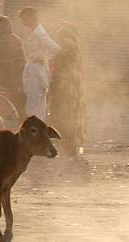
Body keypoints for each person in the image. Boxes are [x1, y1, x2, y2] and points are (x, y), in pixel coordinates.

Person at [48, 23, 86, 156]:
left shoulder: (67, 48)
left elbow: (61, 68)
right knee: (72, 116)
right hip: (73, 88)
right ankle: (70, 145)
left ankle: (68, 146)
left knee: (65, 116)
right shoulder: (74, 47)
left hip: (66, 89)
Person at [19, 7, 60, 120]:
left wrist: (44, 58)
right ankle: (34, 130)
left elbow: (55, 48)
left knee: (36, 104)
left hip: (37, 72)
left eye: (24, 18)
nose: (23, 22)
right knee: (33, 103)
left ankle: (37, 131)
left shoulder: (39, 33)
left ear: (32, 17)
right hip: (34, 71)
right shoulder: (36, 32)